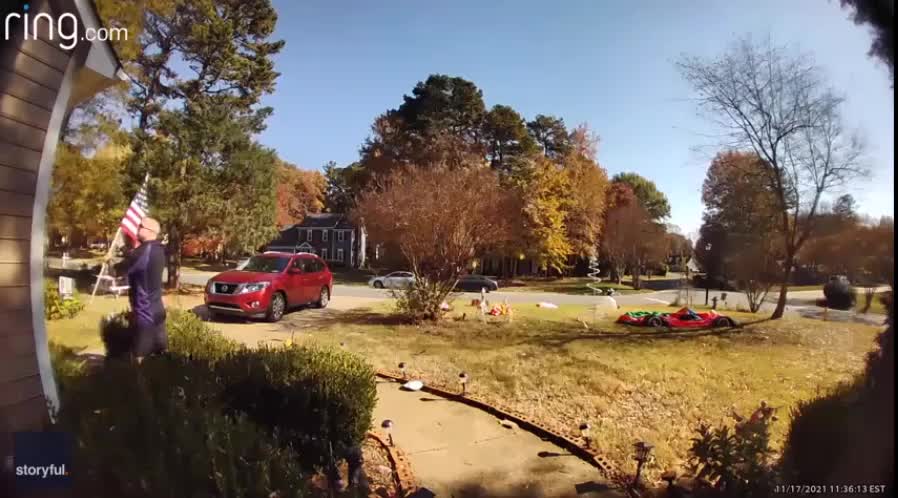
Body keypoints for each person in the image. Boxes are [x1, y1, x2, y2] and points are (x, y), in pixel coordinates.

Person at [125, 217, 167, 360]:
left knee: (139, 356)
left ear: (149, 231)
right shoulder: (159, 250)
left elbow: (123, 271)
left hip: (145, 312)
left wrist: (108, 261)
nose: (137, 229)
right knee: (160, 354)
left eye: (140, 226)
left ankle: (138, 382)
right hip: (158, 309)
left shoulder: (140, 253)